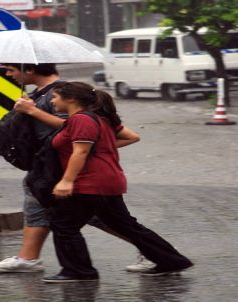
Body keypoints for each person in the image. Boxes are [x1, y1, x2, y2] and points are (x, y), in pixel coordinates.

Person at [0, 64, 151, 273]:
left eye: (11, 69)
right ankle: (28, 257)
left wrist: (32, 111)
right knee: (40, 206)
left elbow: (74, 127)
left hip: (61, 169)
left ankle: (151, 250)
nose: (8, 74)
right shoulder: (42, 93)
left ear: (30, 69)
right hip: (46, 166)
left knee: (95, 216)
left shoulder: (62, 95)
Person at [39, 81, 193, 283]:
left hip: (90, 182)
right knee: (126, 226)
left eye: (56, 96)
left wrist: (67, 181)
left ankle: (79, 271)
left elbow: (81, 151)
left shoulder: (82, 120)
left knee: (64, 224)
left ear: (71, 99)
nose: (52, 100)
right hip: (106, 180)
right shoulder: (94, 119)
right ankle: (172, 261)